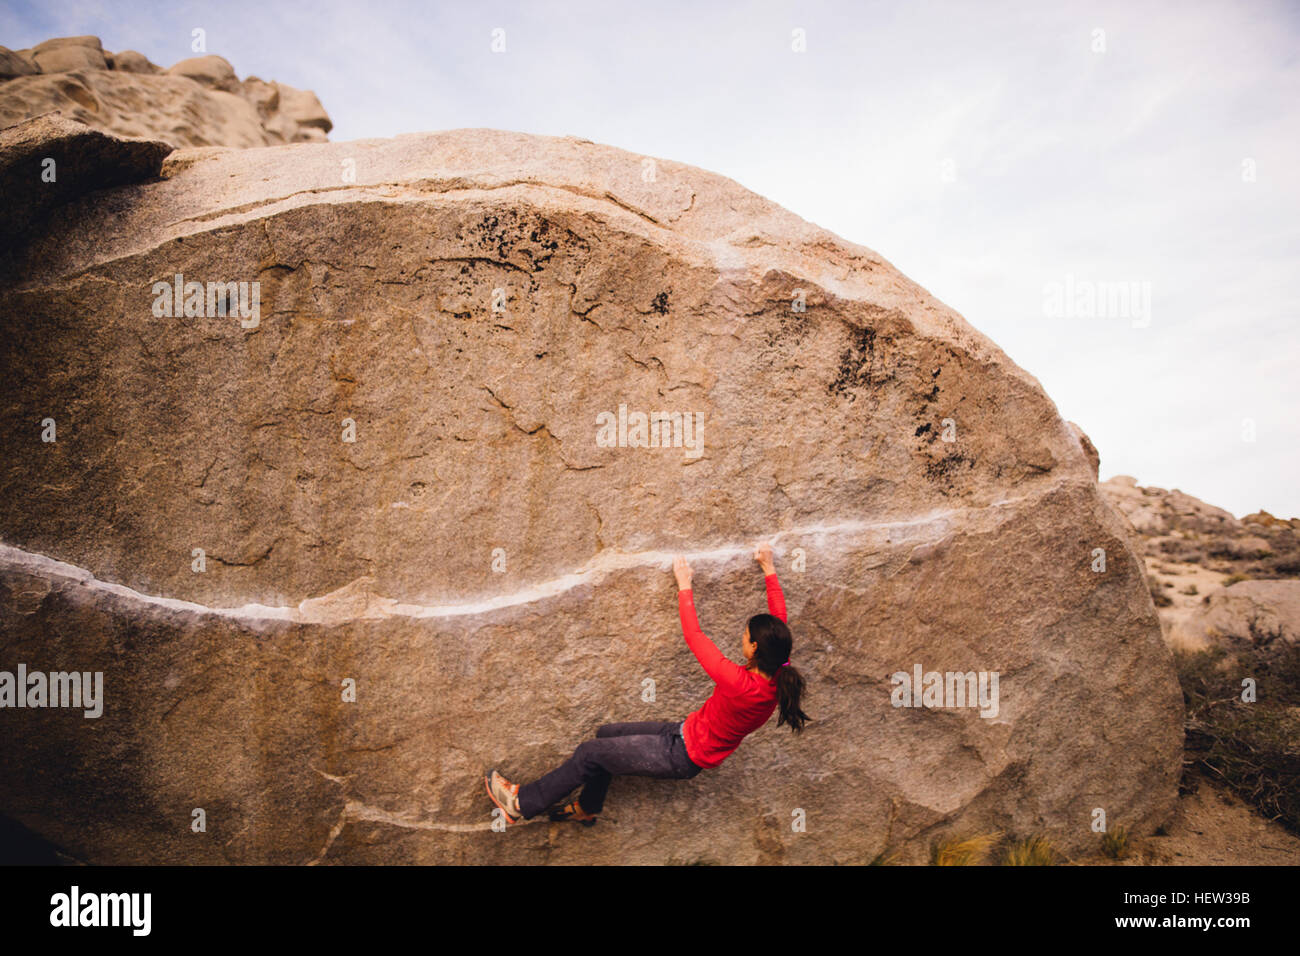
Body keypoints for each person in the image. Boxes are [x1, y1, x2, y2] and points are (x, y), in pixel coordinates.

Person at [484, 541, 809, 826]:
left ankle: (521, 803)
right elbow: (779, 620)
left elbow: (694, 637)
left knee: (589, 753)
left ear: (754, 648)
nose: (742, 637)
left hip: (682, 754)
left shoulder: (740, 683)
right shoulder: (779, 669)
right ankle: (587, 808)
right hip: (684, 732)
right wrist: (768, 568)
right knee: (605, 736)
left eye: (744, 636)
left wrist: (684, 585)